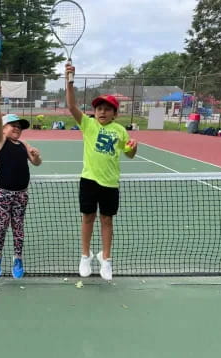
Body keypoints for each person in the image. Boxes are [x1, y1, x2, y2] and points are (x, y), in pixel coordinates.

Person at [65, 64, 138, 281]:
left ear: (115, 113)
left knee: (107, 221)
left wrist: (133, 149)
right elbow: (71, 105)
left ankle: (106, 259)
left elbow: (129, 154)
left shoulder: (121, 131)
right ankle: (85, 256)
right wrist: (69, 80)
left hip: (110, 183)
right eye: (99, 109)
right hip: (89, 180)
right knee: (88, 218)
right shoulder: (88, 125)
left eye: (107, 109)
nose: (102, 112)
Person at [0, 84, 42, 279]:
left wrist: (36, 156)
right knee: (1, 228)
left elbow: (36, 163)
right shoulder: (0, 141)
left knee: (18, 228)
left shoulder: (23, 144)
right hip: (3, 193)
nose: (17, 128)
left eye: (20, 127)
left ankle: (18, 258)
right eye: (13, 125)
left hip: (21, 193)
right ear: (3, 129)